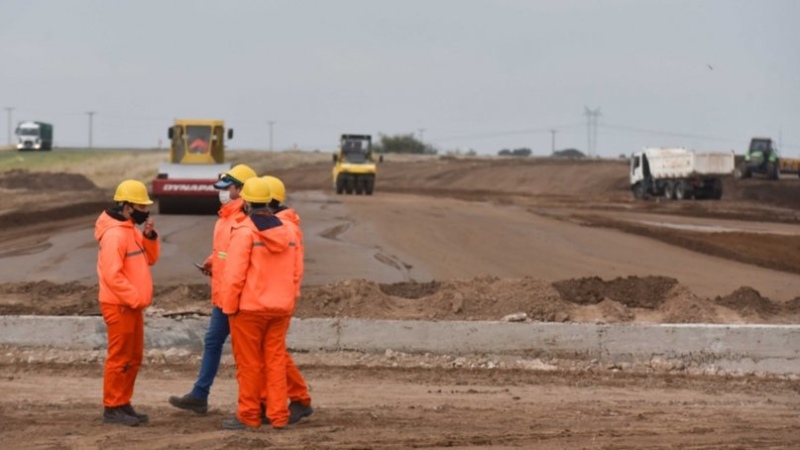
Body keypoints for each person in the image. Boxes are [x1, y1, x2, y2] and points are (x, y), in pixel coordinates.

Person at [169, 164, 257, 414]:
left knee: (249, 353)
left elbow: (244, 259)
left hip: (238, 297)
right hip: (223, 295)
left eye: (227, 187)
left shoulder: (244, 220)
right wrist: (212, 262)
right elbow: (226, 253)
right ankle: (199, 395)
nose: (221, 192)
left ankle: (261, 403)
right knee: (213, 341)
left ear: (241, 190)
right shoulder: (226, 217)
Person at [221, 177, 298, 430]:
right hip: (280, 309)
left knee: (250, 365)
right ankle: (278, 415)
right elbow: (295, 270)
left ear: (246, 203)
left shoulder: (245, 232)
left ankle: (249, 415)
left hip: (250, 310)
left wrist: (228, 307)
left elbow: (234, 276)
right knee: (275, 363)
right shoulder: (287, 231)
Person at [95, 179, 160, 427]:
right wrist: (136, 298)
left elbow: (150, 259)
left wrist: (150, 236)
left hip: (131, 306)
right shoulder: (114, 235)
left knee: (132, 357)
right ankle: (113, 407)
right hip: (120, 305)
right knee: (120, 357)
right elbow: (112, 276)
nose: (146, 210)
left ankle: (123, 402)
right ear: (128, 206)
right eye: (141, 205)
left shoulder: (130, 229)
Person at [262, 175, 313, 423]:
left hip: (275, 299)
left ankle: (297, 399)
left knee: (272, 353)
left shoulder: (282, 228)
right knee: (272, 352)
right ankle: (294, 399)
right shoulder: (284, 225)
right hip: (277, 297)